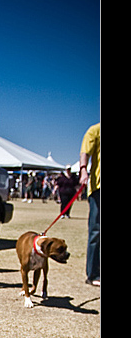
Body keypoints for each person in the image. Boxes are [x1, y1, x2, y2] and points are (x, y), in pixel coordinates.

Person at [79, 123, 100, 287]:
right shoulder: (95, 130)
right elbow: (85, 152)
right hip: (98, 188)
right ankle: (93, 274)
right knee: (96, 231)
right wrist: (83, 169)